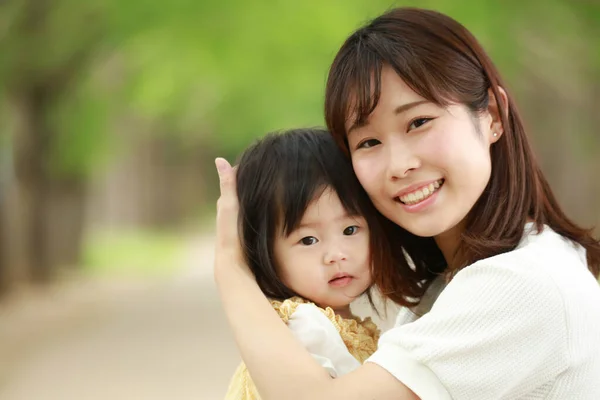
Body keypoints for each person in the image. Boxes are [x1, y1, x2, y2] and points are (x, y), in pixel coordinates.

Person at [214, 7, 600, 400]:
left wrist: (231, 268)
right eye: (368, 142)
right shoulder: (449, 286)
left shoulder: (522, 284)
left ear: (492, 116)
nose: (399, 165)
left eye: (418, 122)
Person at [223, 129, 384, 400]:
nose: (335, 255)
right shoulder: (307, 327)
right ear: (264, 250)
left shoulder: (331, 325)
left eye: (350, 230)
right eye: (308, 240)